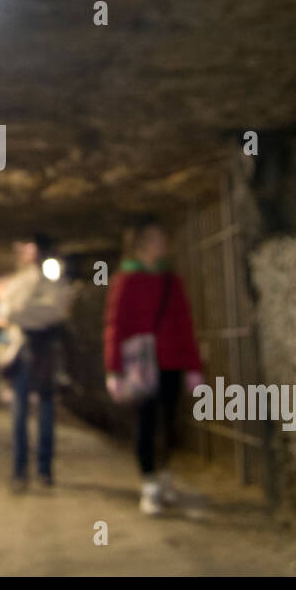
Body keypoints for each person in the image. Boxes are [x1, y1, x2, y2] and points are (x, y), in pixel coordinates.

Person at [103, 216, 204, 515]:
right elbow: (115, 326)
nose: (162, 244)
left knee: (170, 423)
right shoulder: (126, 281)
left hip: (171, 361)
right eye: (155, 238)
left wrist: (193, 366)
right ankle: (149, 484)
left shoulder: (172, 281)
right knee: (147, 423)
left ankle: (164, 474)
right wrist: (114, 369)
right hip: (141, 366)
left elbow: (185, 324)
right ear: (141, 244)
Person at [0, 233, 72, 492]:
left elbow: (55, 312)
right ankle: (20, 471)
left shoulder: (54, 281)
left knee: (47, 412)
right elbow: (11, 313)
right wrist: (34, 305)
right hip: (21, 353)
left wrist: (26, 313)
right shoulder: (19, 282)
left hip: (44, 353)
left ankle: (44, 470)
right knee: (19, 415)